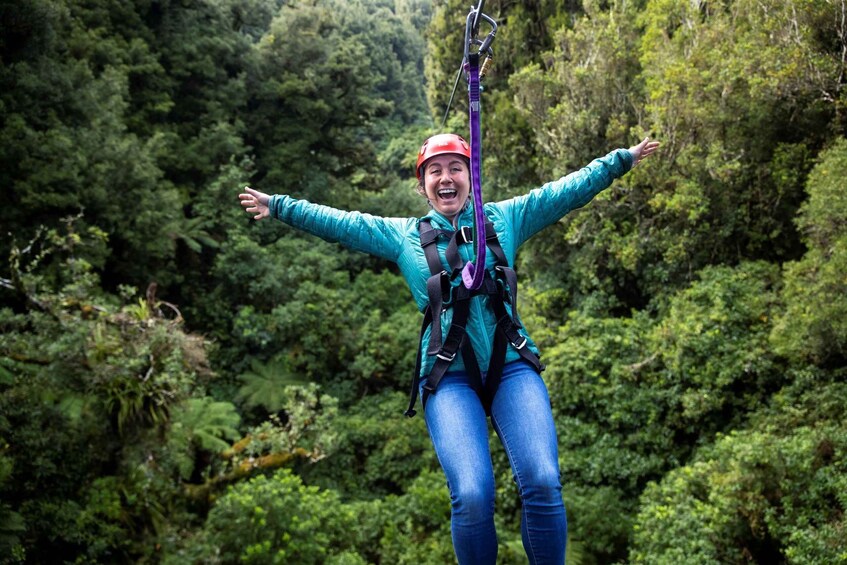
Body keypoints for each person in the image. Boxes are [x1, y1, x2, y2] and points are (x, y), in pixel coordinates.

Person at [239, 134, 659, 564]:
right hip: (449, 374)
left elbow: (565, 191)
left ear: (471, 178)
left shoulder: (505, 218)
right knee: (473, 493)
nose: (446, 178)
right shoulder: (403, 236)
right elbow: (341, 222)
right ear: (422, 186)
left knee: (543, 479)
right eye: (434, 171)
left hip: (511, 363)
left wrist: (620, 160)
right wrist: (280, 206)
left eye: (455, 168)